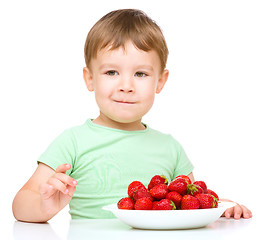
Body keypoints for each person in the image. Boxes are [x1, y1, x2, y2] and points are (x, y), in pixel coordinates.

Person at [12, 9, 252, 222]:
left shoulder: (170, 148)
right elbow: (21, 204)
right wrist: (43, 206)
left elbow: (188, 200)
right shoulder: (71, 142)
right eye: (112, 72)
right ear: (90, 78)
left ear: (160, 81)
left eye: (140, 74)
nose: (126, 85)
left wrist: (218, 207)